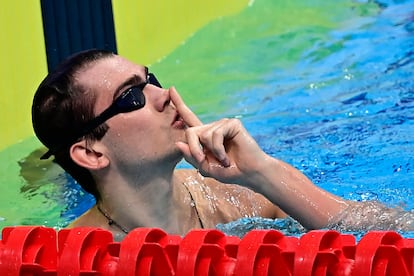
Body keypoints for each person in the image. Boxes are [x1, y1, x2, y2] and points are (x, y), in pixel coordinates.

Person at [32, 49, 413, 241]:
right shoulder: (78, 254)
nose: (165, 94)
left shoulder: (237, 200)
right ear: (91, 153)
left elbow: (395, 231)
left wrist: (261, 173)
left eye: (152, 80)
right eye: (132, 96)